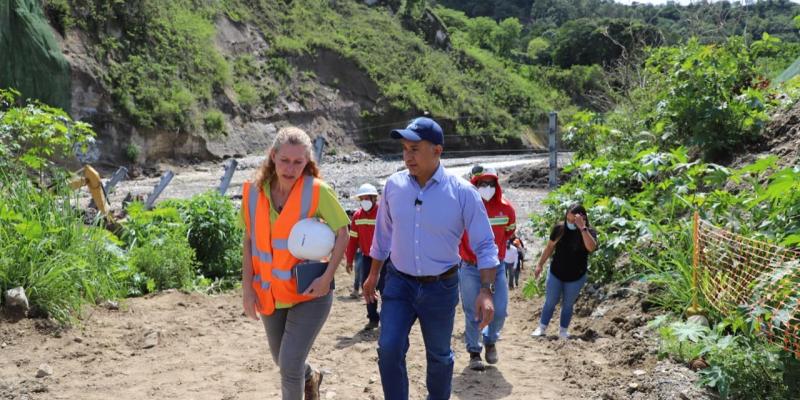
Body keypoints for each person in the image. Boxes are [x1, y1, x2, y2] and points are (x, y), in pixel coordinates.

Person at [362, 117, 499, 400]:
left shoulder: (462, 193)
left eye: (414, 149)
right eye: (404, 149)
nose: (407, 156)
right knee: (388, 349)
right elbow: (383, 235)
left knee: (439, 356)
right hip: (399, 283)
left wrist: (486, 290)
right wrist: (373, 274)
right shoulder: (393, 186)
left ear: (437, 151)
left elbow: (485, 244)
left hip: (441, 287)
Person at [241, 127, 351, 400]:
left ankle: (303, 380)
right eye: (285, 160)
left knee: (288, 367)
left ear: (307, 162)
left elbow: (343, 232)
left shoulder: (317, 191)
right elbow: (248, 242)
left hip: (310, 293)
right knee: (284, 361)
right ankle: (311, 377)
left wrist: (326, 278)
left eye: (298, 162)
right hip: (270, 294)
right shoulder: (253, 194)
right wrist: (247, 289)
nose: (290, 168)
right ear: (273, 157)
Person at [457, 165, 516, 371]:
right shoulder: (465, 207)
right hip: (470, 267)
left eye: (491, 184)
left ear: (497, 185)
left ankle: (490, 341)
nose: (487, 188)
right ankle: (474, 352)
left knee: (499, 310)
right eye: (483, 184)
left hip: (496, 268)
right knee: (473, 310)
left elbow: (508, 233)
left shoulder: (506, 209)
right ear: (475, 184)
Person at [530, 203, 598, 339]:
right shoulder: (559, 229)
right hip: (556, 272)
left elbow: (591, 248)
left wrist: (582, 228)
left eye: (574, 220)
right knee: (550, 300)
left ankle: (563, 331)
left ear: (582, 218)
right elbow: (549, 247)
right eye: (569, 219)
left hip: (576, 276)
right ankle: (541, 327)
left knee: (568, 304)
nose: (570, 223)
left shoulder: (589, 232)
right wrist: (540, 264)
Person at [345, 183, 386, 330]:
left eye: (366, 198)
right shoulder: (357, 216)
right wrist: (349, 259)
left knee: (386, 289)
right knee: (368, 288)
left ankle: (387, 319)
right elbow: (353, 240)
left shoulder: (383, 213)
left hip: (386, 259)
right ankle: (373, 319)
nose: (364, 201)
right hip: (368, 258)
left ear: (374, 198)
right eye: (361, 199)